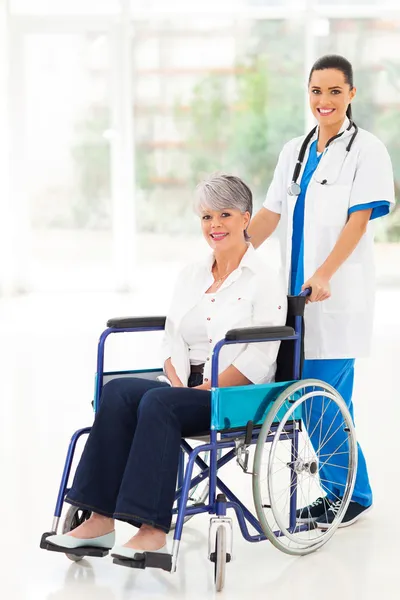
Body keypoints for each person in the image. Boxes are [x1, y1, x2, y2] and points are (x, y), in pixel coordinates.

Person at [45, 174, 287, 559]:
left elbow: (260, 355)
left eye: (224, 214)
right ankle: (99, 519)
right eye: (206, 217)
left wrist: (205, 390)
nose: (215, 225)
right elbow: (171, 337)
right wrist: (177, 382)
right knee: (120, 392)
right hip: (182, 386)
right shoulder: (191, 275)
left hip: (233, 394)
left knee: (159, 404)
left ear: (246, 218)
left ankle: (153, 529)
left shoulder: (265, 279)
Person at [248, 54, 395, 529]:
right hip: (290, 296)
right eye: (316, 91)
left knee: (326, 396)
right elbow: (271, 214)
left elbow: (358, 219)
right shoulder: (295, 149)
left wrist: (327, 272)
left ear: (351, 94)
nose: (324, 100)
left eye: (335, 91)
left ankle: (348, 494)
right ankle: (350, 488)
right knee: (305, 396)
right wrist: (231, 248)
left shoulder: (366, 149)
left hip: (334, 295)